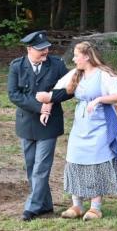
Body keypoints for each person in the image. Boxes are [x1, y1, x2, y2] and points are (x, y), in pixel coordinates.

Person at [37, 41, 117, 221]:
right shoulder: (76, 74)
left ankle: (95, 208)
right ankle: (76, 205)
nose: (73, 58)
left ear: (86, 56)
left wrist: (99, 99)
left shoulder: (104, 75)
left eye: (76, 55)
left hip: (100, 126)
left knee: (96, 164)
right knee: (75, 161)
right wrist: (47, 105)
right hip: (80, 127)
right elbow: (57, 91)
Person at [7, 30, 70, 221]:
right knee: (31, 166)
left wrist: (50, 100)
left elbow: (70, 89)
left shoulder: (57, 65)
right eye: (41, 49)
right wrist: (40, 106)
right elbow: (13, 94)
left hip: (49, 124)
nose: (46, 52)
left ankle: (31, 208)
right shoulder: (17, 66)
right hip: (26, 123)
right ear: (29, 49)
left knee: (41, 167)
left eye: (47, 48)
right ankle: (45, 205)